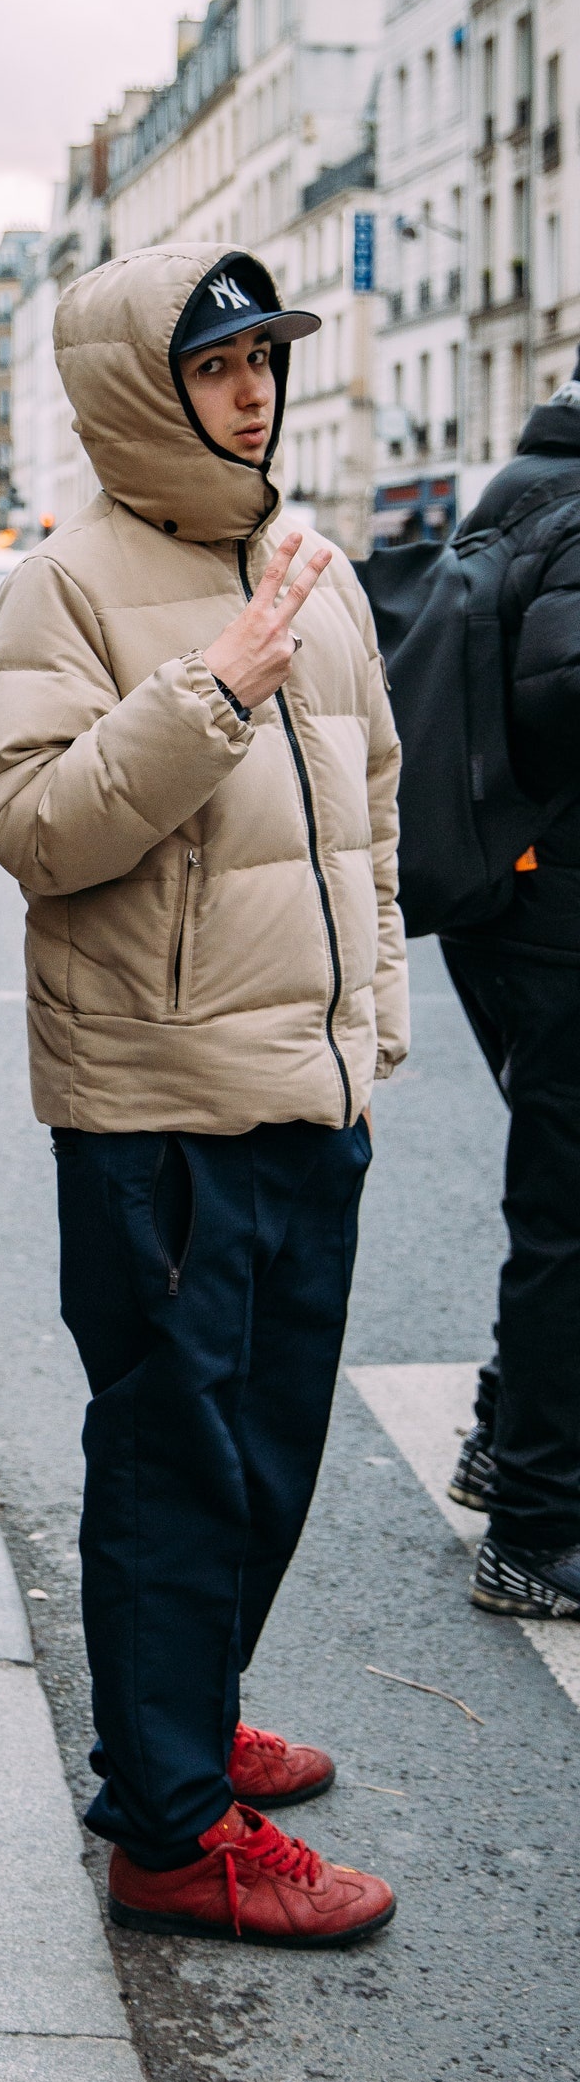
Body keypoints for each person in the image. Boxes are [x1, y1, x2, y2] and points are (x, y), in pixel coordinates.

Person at [0, 242, 406, 1948]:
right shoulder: (64, 584)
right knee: (174, 1462)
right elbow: (34, 824)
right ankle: (167, 1831)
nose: (252, 390)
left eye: (264, 359)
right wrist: (212, 690)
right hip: (156, 1105)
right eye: (216, 363)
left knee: (272, 1447)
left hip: (307, 1089)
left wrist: (369, 1030)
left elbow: (369, 812)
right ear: (141, 386)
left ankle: (190, 1719)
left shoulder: (312, 562)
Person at [430, 365, 580, 1617]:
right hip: (560, 915)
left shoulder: (520, 489)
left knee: (558, 1204)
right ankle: (535, 1527)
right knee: (569, 1221)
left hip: (508, 900)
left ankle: (499, 1438)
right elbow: (565, 689)